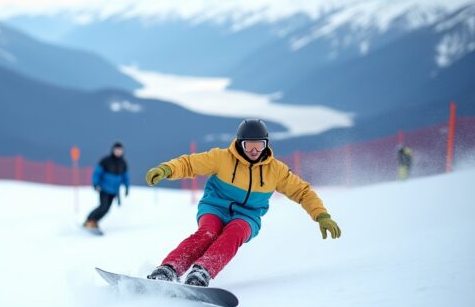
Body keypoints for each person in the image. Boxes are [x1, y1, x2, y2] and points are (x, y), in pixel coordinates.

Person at [144, 120, 341, 286]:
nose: (254, 150)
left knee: (234, 233)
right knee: (208, 233)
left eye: (260, 145)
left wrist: (321, 215)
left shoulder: (276, 170)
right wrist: (167, 169)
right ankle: (169, 268)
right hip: (215, 207)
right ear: (240, 144)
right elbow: (190, 164)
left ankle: (202, 271)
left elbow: (303, 192)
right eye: (249, 145)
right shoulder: (222, 158)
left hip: (248, 216)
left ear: (266, 145)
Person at [83, 142, 130, 233]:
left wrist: (127, 187)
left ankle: (94, 221)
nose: (118, 152)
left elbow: (125, 176)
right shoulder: (105, 161)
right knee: (103, 206)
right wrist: (95, 183)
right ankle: (89, 220)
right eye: (117, 150)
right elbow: (97, 172)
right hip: (104, 188)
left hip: (114, 191)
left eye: (120, 150)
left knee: (107, 209)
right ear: (113, 150)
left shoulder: (123, 163)